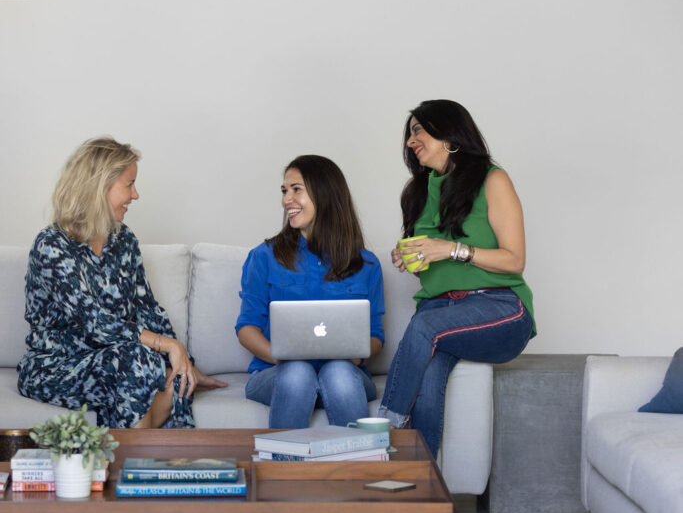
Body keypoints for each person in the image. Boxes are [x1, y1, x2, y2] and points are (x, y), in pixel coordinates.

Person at [17, 137, 225, 428]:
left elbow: (147, 309)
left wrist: (186, 362)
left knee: (162, 370)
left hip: (118, 358)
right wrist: (168, 345)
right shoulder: (51, 245)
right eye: (129, 184)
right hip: (57, 364)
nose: (136, 194)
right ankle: (143, 460)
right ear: (99, 186)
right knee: (134, 360)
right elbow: (93, 320)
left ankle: (138, 459)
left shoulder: (123, 239)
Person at [377, 99, 536, 458]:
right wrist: (410, 256)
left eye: (418, 130)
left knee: (422, 328)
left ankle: (383, 433)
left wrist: (449, 249)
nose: (410, 141)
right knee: (428, 378)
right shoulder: (416, 191)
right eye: (409, 133)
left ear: (449, 135)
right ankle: (422, 492)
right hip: (440, 309)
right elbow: (430, 260)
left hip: (500, 307)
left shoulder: (492, 180)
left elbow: (515, 259)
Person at [236, 155, 384, 428]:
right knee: (298, 372)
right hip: (277, 373)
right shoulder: (264, 257)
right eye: (284, 191)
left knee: (338, 372)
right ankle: (282, 469)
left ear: (324, 193)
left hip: (344, 374)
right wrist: (279, 355)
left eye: (296, 189)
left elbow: (375, 335)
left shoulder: (367, 264)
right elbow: (247, 328)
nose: (286, 200)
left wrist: (357, 355)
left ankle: (359, 468)